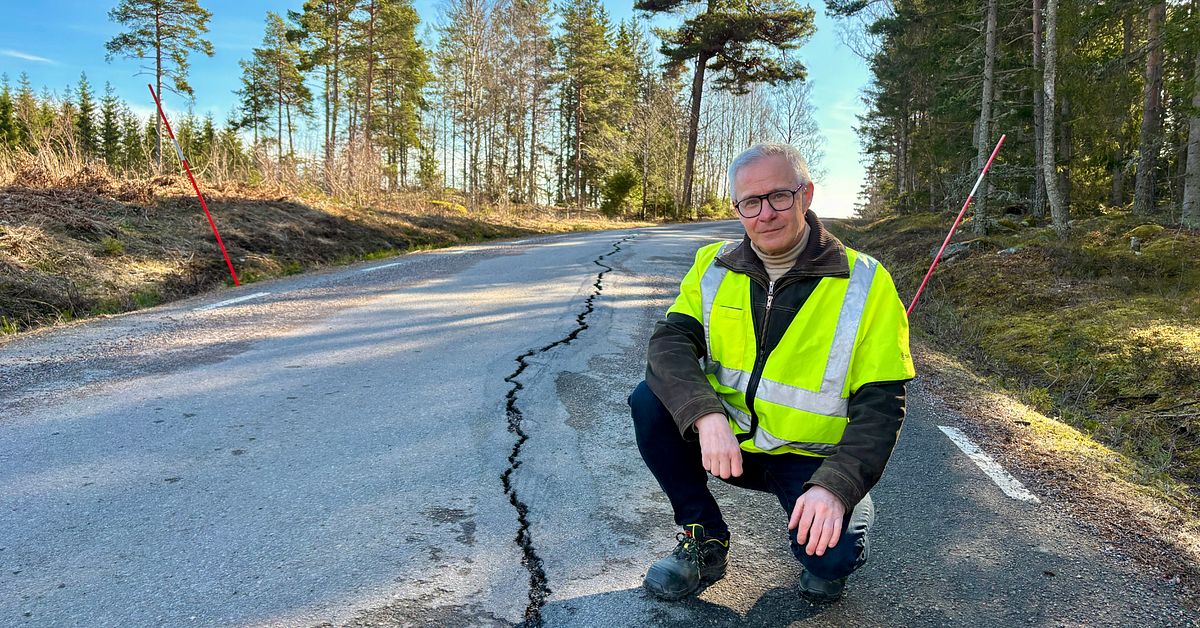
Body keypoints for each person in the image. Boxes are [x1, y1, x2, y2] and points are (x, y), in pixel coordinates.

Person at [629, 142, 915, 604]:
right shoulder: (713, 265)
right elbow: (669, 344)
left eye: (780, 196)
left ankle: (843, 512)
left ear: (806, 195)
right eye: (751, 202)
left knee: (830, 559)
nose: (766, 213)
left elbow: (882, 405)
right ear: (737, 208)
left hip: (810, 458)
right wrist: (705, 416)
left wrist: (838, 486)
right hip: (728, 445)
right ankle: (704, 538)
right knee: (649, 401)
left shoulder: (866, 282)